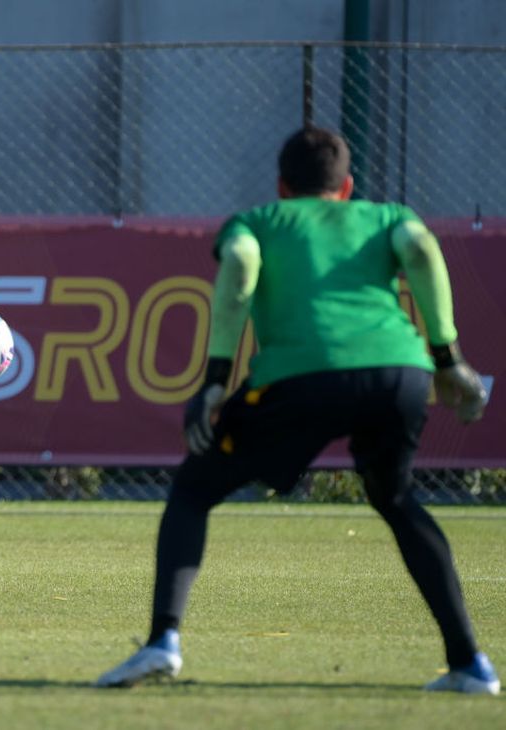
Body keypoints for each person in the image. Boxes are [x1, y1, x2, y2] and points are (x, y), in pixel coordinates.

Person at [95, 126, 498, 694]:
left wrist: (214, 381)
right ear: (348, 187)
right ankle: (470, 665)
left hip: (300, 376)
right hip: (399, 371)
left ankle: (163, 642)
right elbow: (422, 248)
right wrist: (448, 358)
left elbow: (240, 265)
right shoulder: (384, 216)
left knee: (193, 490)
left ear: (282, 186)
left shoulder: (259, 221)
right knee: (396, 498)